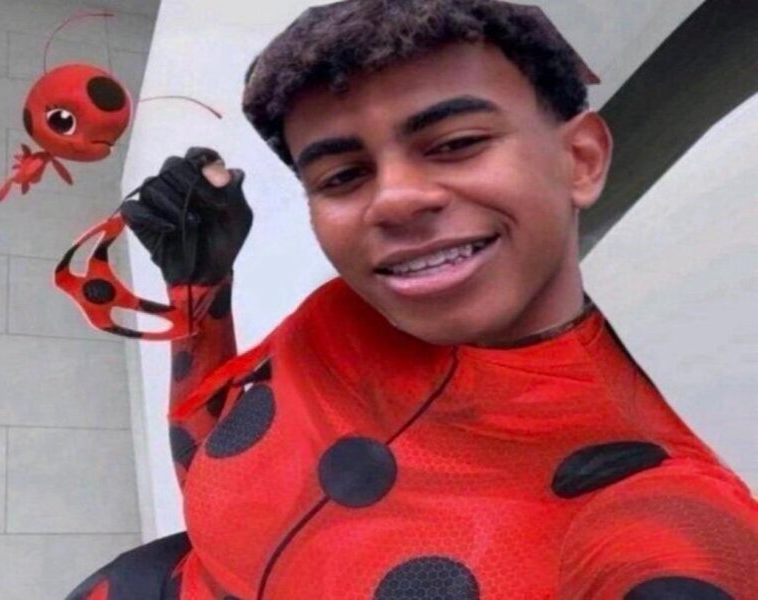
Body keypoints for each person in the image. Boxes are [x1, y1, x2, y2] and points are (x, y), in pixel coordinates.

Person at [67, 0, 758, 598]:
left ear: (580, 159)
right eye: (343, 176)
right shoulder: (335, 318)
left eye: (456, 143)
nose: (394, 199)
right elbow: (223, 486)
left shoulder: (648, 503)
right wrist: (200, 289)